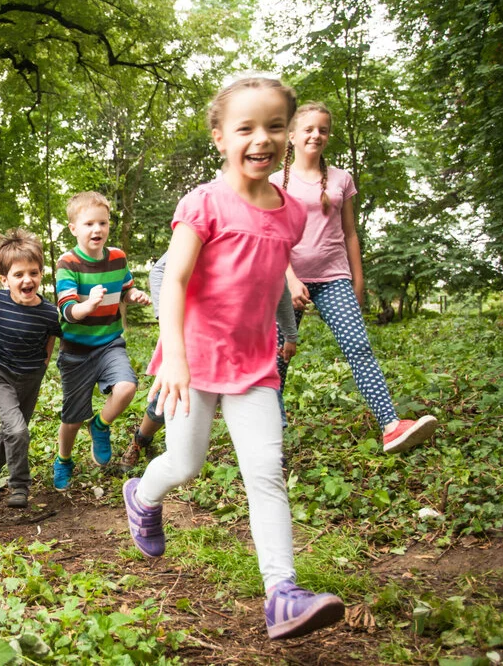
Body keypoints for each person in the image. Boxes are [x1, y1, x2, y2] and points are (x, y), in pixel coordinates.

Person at [124, 77, 345, 640]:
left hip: (254, 366)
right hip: (192, 362)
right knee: (186, 463)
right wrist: (173, 357)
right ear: (220, 137)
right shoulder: (203, 203)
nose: (261, 138)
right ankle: (142, 494)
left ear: (290, 136)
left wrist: (291, 313)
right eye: (246, 127)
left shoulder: (292, 213)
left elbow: (269, 278)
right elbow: (173, 278)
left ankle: (282, 593)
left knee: (266, 472)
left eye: (274, 126)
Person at [271, 102, 437, 454]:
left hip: (334, 278)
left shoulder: (341, 178)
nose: (316, 134)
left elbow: (350, 233)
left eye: (323, 129)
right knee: (277, 358)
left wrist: (356, 282)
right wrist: (289, 278)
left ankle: (391, 426)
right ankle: (271, 438)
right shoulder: (273, 181)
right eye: (309, 129)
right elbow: (272, 235)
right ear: (292, 135)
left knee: (359, 348)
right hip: (287, 281)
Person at [121, 256, 299, 469]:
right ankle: (140, 440)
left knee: (262, 392)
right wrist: (166, 318)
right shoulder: (208, 229)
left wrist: (290, 335)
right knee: (168, 398)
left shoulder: (267, 239)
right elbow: (160, 271)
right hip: (198, 339)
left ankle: (269, 457)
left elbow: (280, 286)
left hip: (246, 346)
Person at [52, 192, 152, 491]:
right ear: (73, 228)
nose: (97, 230)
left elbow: (125, 287)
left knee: (127, 387)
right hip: (76, 351)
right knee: (72, 418)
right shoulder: (67, 263)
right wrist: (87, 306)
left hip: (109, 343)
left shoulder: (118, 257)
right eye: (89, 224)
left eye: (103, 223)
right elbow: (68, 310)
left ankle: (101, 425)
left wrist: (135, 295)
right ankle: (64, 459)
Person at [0, 229, 62, 508]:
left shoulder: (49, 312)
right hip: (0, 374)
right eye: (19, 274)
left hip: (31, 376)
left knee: (14, 430)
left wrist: (45, 362)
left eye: (34, 273)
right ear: (5, 279)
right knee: (17, 430)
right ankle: (20, 485)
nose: (28, 279)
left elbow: (50, 336)